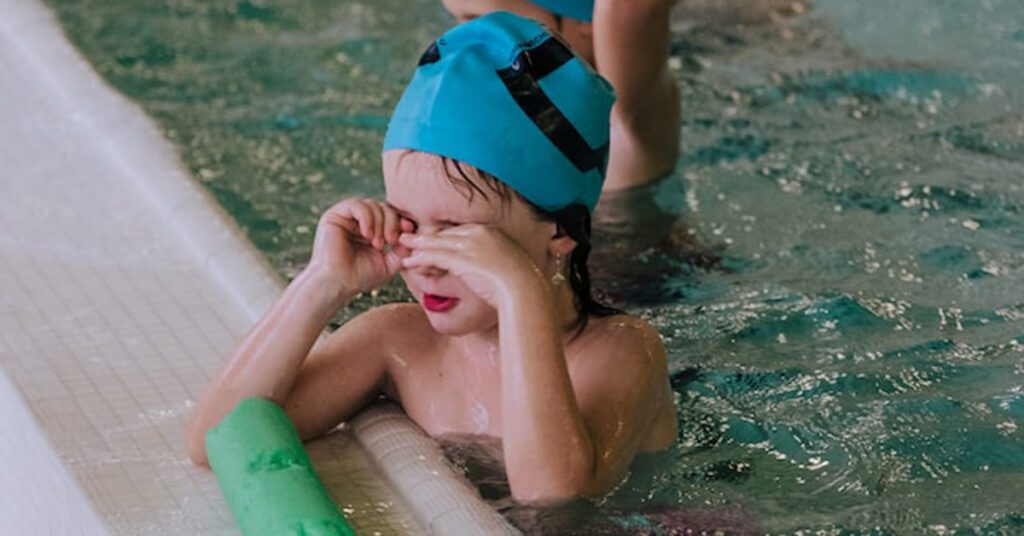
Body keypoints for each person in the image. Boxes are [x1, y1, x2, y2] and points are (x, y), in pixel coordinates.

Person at [186, 12, 678, 502]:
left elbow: (555, 500)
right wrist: (322, 282)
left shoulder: (622, 353)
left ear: (560, 233)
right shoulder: (399, 343)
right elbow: (220, 439)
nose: (425, 260)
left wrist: (519, 294)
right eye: (408, 222)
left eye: (458, 231)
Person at [440, 0, 680, 193]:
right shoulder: (486, 121)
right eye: (457, 20)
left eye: (478, 22)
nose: (459, 47)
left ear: (586, 23)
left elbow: (632, 5)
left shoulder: (621, 126)